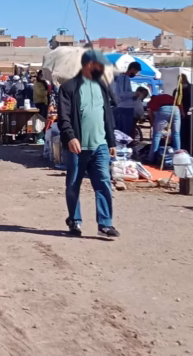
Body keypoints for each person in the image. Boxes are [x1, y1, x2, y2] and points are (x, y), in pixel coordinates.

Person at [56, 50, 120, 238]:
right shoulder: (68, 88)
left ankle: (105, 224)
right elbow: (63, 117)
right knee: (73, 185)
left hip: (100, 146)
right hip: (77, 147)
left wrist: (111, 141)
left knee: (103, 184)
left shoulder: (102, 86)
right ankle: (74, 220)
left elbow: (107, 115)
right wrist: (70, 137)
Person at [146, 91, 182, 163]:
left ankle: (151, 158)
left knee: (157, 135)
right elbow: (179, 103)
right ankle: (178, 158)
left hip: (164, 109)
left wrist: (153, 124)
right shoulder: (168, 96)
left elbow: (150, 113)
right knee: (176, 134)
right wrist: (182, 113)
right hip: (176, 109)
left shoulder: (152, 100)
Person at [111, 61, 142, 138]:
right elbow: (122, 94)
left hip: (120, 106)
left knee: (120, 131)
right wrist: (134, 94)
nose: (135, 74)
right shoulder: (124, 78)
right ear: (132, 69)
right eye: (136, 72)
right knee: (125, 132)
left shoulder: (118, 78)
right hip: (126, 107)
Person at [177, 74, 193, 155]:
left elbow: (179, 103)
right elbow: (179, 102)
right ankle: (187, 150)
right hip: (186, 115)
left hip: (188, 114)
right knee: (186, 134)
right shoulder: (179, 90)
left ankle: (187, 150)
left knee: (187, 134)